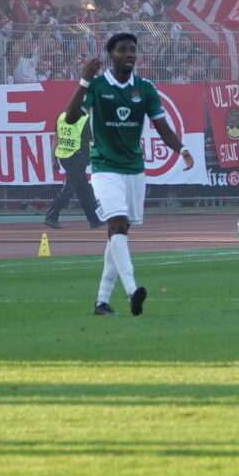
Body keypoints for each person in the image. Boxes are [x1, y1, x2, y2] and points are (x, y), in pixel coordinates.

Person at [62, 32, 194, 317]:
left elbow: (162, 126)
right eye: (123, 50)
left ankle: (101, 302)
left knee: (118, 234)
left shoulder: (144, 89)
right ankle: (133, 290)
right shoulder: (97, 85)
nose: (129, 55)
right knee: (117, 225)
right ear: (111, 55)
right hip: (104, 168)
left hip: (134, 169)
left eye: (133, 51)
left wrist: (181, 149)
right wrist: (84, 80)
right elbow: (71, 118)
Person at [43, 103, 103, 231]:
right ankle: (51, 216)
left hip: (64, 157)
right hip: (76, 158)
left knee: (84, 190)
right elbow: (93, 140)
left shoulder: (62, 117)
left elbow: (56, 139)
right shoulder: (82, 120)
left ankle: (94, 220)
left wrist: (53, 160)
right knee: (68, 189)